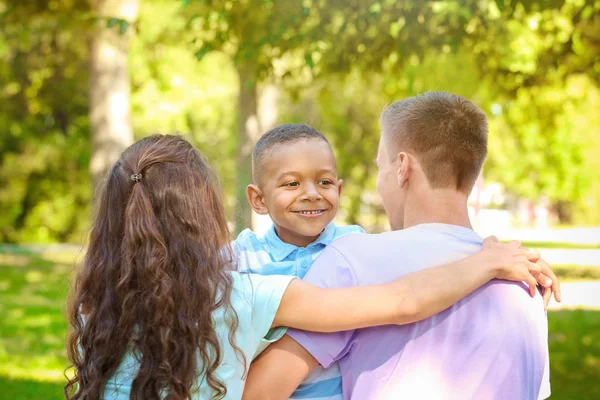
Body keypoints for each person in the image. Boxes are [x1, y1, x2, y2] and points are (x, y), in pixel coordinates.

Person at [64, 134, 556, 400]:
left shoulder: (94, 308)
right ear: (203, 214)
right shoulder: (242, 291)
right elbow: (405, 300)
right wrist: (487, 257)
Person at [243, 92, 561, 400]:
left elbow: (258, 393)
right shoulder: (527, 282)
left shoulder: (351, 261)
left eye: (381, 166)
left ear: (402, 168)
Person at [233, 124, 364, 399]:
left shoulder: (355, 245)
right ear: (258, 199)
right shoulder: (242, 257)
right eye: (292, 183)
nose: (312, 193)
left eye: (324, 182)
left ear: (338, 190)